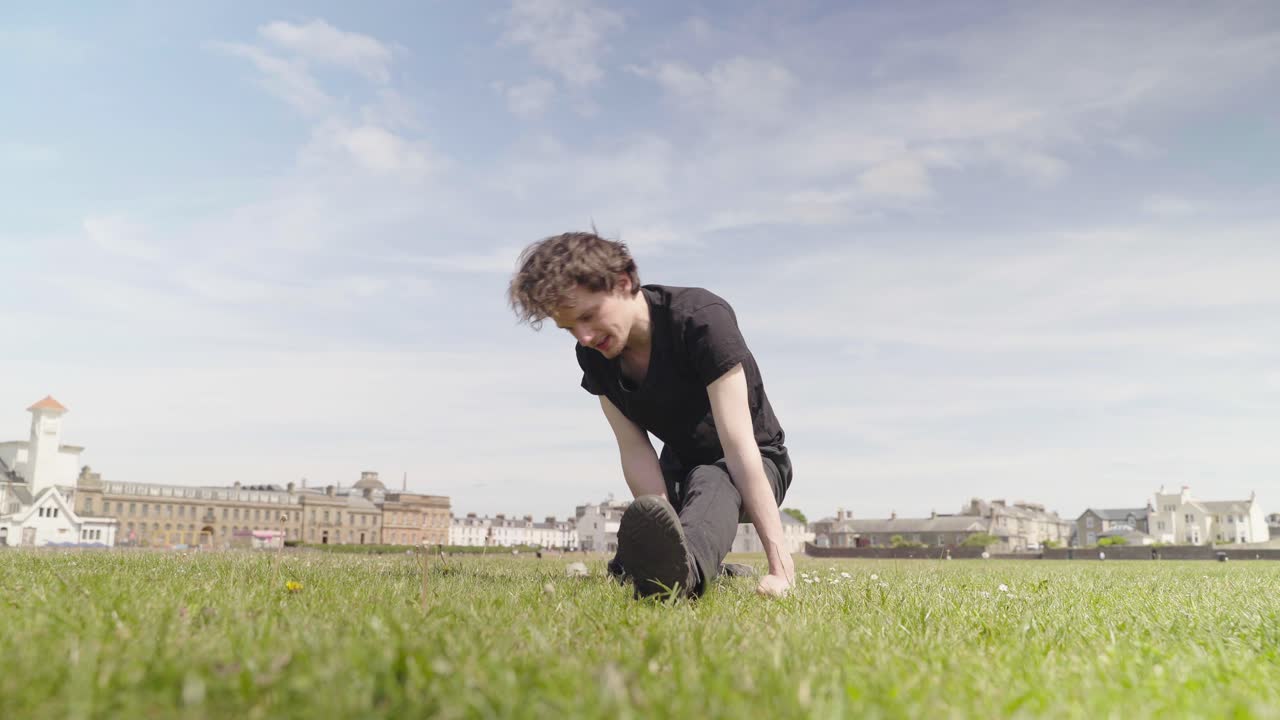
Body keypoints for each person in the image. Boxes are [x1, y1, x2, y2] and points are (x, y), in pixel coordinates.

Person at [507, 231, 795, 598]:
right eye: (569, 328)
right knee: (633, 563)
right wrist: (666, 531)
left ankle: (685, 579)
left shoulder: (702, 320)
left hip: (756, 460)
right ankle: (709, 566)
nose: (584, 337)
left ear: (624, 283)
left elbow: (739, 447)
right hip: (678, 469)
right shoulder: (594, 357)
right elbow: (635, 451)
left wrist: (781, 568)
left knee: (712, 477)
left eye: (589, 316)